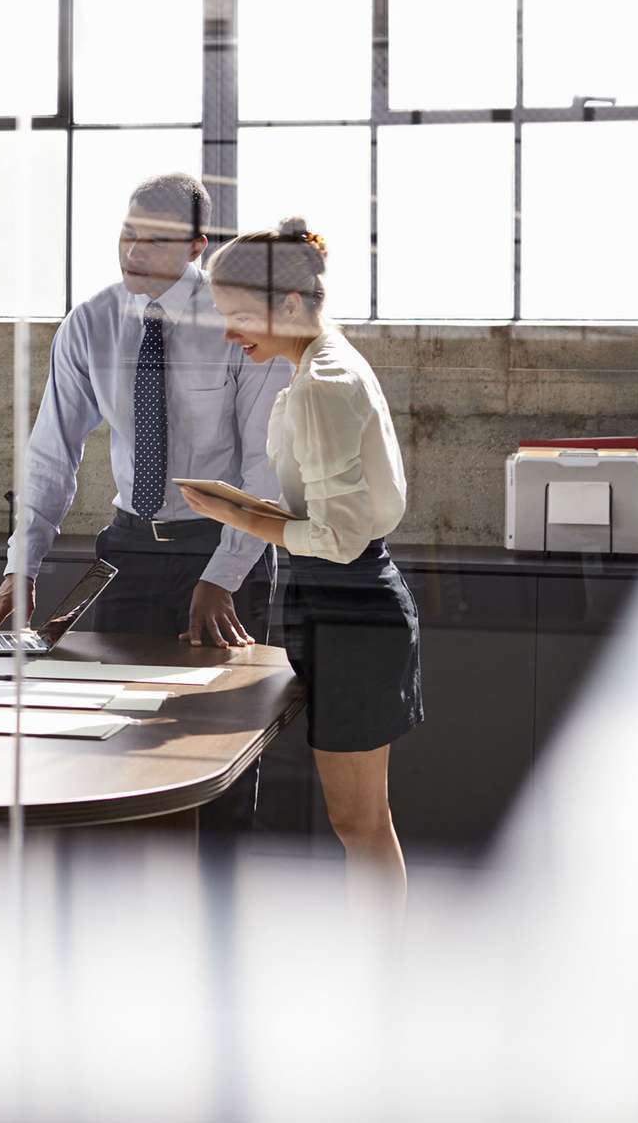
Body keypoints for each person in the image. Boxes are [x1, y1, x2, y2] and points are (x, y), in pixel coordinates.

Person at [180, 219, 422, 905]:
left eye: (237, 316)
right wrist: (248, 508)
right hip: (340, 604)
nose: (230, 334)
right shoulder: (320, 364)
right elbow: (331, 514)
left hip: (352, 605)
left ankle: (381, 983)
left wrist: (238, 514)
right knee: (364, 821)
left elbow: (339, 537)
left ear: (288, 303)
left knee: (360, 821)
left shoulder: (322, 381)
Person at [0, 173, 290, 647]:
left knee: (216, 711)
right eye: (128, 234)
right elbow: (52, 454)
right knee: (114, 698)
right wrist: (22, 568)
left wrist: (224, 575)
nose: (134, 252)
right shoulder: (90, 323)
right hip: (129, 549)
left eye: (155, 240)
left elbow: (266, 465)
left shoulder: (239, 323)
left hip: (222, 543)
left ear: (197, 246)